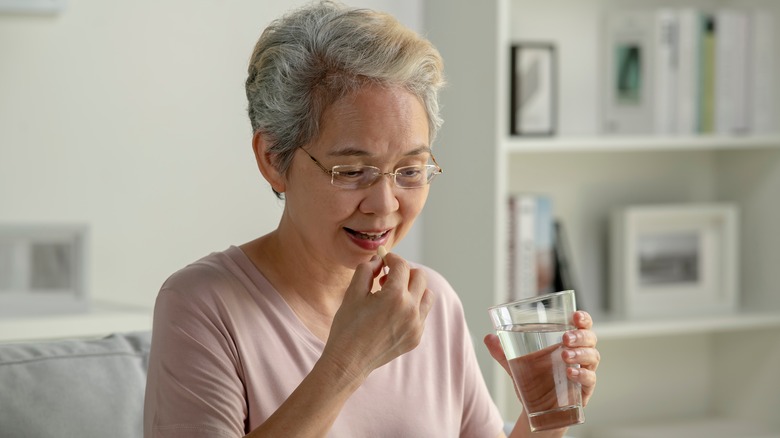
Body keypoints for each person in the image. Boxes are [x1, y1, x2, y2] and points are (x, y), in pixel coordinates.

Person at [143, 1, 600, 437]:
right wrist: (348, 361)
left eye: (410, 171)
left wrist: (548, 414)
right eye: (352, 171)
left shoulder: (431, 302)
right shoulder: (202, 304)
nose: (384, 205)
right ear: (272, 158)